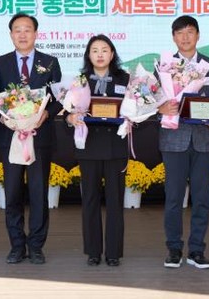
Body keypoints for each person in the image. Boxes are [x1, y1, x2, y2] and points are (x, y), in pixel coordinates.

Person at [0, 13, 62, 264]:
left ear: (36, 34)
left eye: (27, 29)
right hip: (10, 137)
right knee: (12, 194)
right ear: (11, 34)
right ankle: (17, 245)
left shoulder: (49, 62)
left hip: (39, 138)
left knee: (38, 193)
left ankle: (37, 246)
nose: (22, 34)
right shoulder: (0, 63)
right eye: (17, 30)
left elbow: (59, 98)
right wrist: (5, 120)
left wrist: (45, 115)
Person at [158, 15, 209, 270]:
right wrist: (161, 108)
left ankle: (197, 250)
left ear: (198, 35)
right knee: (174, 199)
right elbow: (150, 101)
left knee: (201, 198)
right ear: (173, 37)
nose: (185, 37)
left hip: (204, 140)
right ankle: (174, 249)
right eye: (180, 32)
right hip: (173, 140)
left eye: (190, 32)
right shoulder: (164, 67)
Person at [65, 34, 130, 267]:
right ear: (88, 55)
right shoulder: (79, 81)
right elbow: (68, 113)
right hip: (89, 148)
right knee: (90, 201)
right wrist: (71, 118)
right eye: (95, 50)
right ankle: (93, 251)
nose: (100, 54)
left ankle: (113, 252)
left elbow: (136, 108)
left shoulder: (126, 79)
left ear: (112, 54)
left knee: (115, 202)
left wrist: (132, 117)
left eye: (104, 50)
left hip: (116, 149)